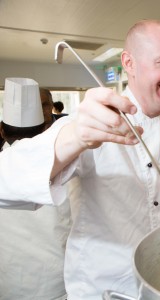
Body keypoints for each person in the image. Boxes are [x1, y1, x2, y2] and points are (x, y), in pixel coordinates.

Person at [0, 20, 160, 299]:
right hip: (104, 289)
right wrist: (75, 136)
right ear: (129, 63)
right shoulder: (90, 123)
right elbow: (6, 183)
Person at [0, 78, 71, 300]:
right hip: (60, 282)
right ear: (47, 127)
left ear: (1, 131)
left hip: (9, 283)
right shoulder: (67, 169)